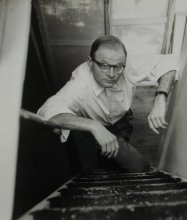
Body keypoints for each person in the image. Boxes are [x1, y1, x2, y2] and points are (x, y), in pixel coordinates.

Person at [37, 35, 177, 173]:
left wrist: (160, 97)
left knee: (122, 153)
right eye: (104, 66)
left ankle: (115, 157)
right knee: (139, 166)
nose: (112, 74)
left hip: (123, 120)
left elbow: (169, 61)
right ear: (90, 62)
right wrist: (94, 126)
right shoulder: (80, 83)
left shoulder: (125, 64)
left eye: (118, 67)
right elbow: (47, 111)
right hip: (93, 129)